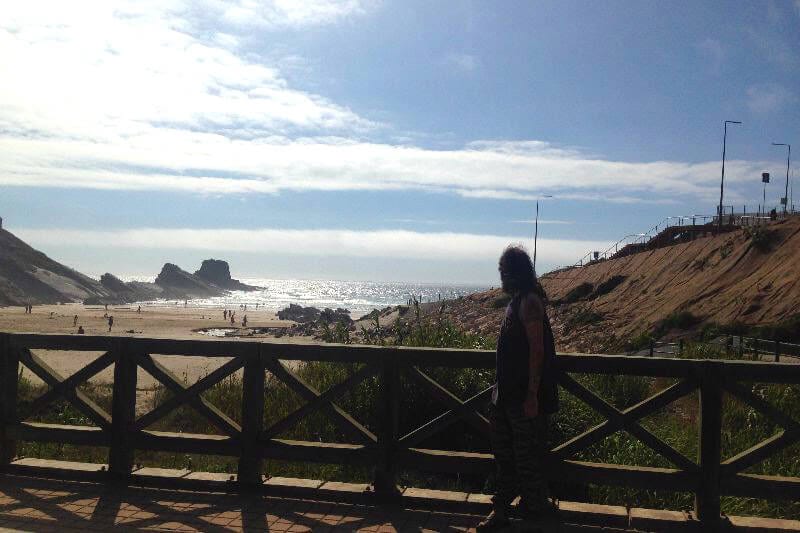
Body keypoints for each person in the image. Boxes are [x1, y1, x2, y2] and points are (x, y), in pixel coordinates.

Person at [478, 245, 559, 531]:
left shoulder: (530, 302)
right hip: (506, 395)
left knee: (525, 458)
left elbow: (538, 351)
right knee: (505, 455)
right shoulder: (516, 301)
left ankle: (529, 511)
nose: (502, 275)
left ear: (516, 272)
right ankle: (505, 510)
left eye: (505, 270)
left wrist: (532, 396)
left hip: (523, 397)